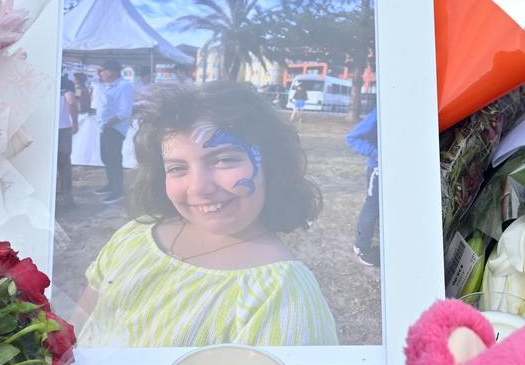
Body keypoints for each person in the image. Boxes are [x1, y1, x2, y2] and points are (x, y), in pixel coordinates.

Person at [76, 82, 339, 348]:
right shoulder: (134, 235)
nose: (199, 188)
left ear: (271, 164)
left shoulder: (283, 297)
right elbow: (82, 322)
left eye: (223, 160)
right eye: (178, 168)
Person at [95, 59, 133, 203]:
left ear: (111, 72)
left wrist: (108, 123)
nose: (100, 74)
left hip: (114, 128)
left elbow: (125, 112)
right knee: (106, 158)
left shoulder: (124, 86)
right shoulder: (110, 86)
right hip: (105, 127)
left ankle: (118, 190)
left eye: (102, 70)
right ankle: (111, 185)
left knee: (113, 159)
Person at [346, 109, 380, 267]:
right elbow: (352, 138)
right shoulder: (380, 111)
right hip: (378, 171)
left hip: (398, 172)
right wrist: (377, 154)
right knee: (372, 208)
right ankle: (361, 248)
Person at [57, 76, 79, 210]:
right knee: (64, 166)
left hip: (43, 128)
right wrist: (75, 122)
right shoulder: (66, 82)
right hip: (63, 129)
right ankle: (67, 199)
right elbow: (71, 102)